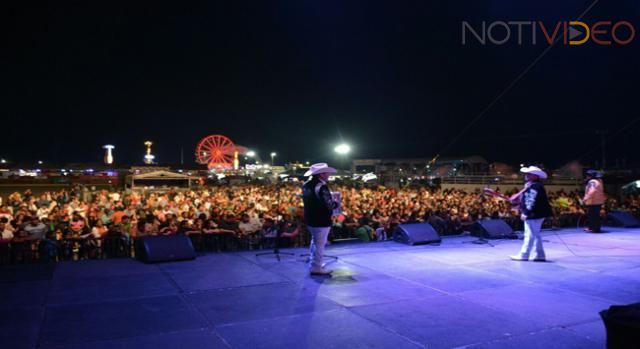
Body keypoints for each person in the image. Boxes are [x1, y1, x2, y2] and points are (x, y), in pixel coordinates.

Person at [302, 163, 339, 275]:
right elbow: (328, 204)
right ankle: (317, 267)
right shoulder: (321, 186)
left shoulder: (306, 184)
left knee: (315, 242)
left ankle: (314, 264)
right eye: (327, 172)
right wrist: (336, 204)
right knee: (320, 244)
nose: (329, 174)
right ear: (321, 174)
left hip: (310, 218)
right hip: (321, 219)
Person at [510, 166, 553, 262]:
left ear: (535, 176)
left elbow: (531, 200)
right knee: (535, 235)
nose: (526, 175)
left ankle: (524, 255)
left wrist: (526, 212)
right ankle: (540, 255)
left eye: (529, 174)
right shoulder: (534, 185)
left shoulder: (535, 186)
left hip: (534, 214)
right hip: (537, 213)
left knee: (529, 235)